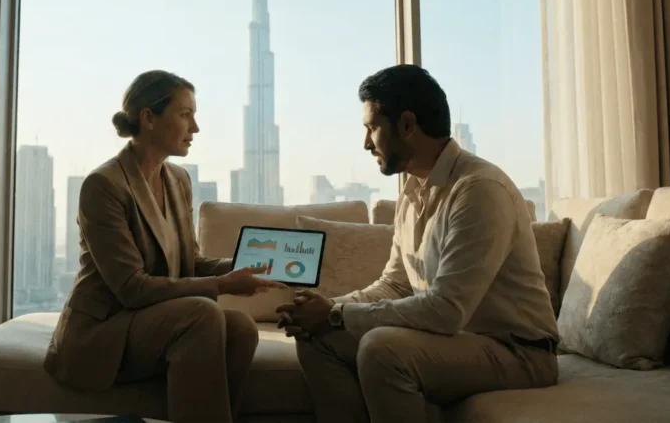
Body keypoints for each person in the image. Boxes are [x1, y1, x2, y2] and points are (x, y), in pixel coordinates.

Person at [275, 64, 560, 423]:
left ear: (407, 124)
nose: (365, 143)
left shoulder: (479, 190)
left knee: (382, 350)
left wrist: (335, 315)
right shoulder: (412, 192)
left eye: (372, 127)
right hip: (457, 341)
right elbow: (396, 284)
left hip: (519, 352)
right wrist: (328, 307)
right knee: (317, 338)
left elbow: (445, 310)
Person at [44, 70, 286, 423]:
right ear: (148, 119)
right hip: (104, 330)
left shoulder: (177, 179)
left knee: (241, 328)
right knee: (202, 315)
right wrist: (222, 286)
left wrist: (242, 266)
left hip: (150, 322)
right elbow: (131, 288)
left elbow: (190, 261)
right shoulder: (104, 185)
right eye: (186, 114)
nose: (196, 128)